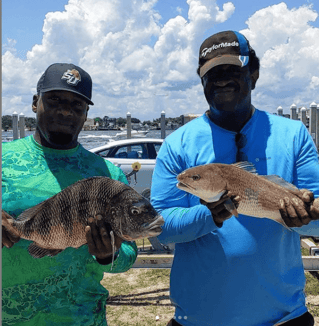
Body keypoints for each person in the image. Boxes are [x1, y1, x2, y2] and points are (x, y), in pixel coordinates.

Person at [151, 31, 319, 326]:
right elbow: (161, 228)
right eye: (212, 73)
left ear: (253, 74)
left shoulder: (294, 136)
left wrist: (306, 217)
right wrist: (209, 215)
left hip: (284, 319)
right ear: (201, 81)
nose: (222, 79)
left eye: (232, 69)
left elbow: (316, 213)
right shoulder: (176, 144)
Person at [2, 63, 138, 326]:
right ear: (35, 102)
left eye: (77, 105)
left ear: (86, 114)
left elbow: (128, 256)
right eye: (54, 99)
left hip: (83, 318)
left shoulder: (108, 175)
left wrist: (108, 255)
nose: (65, 110)